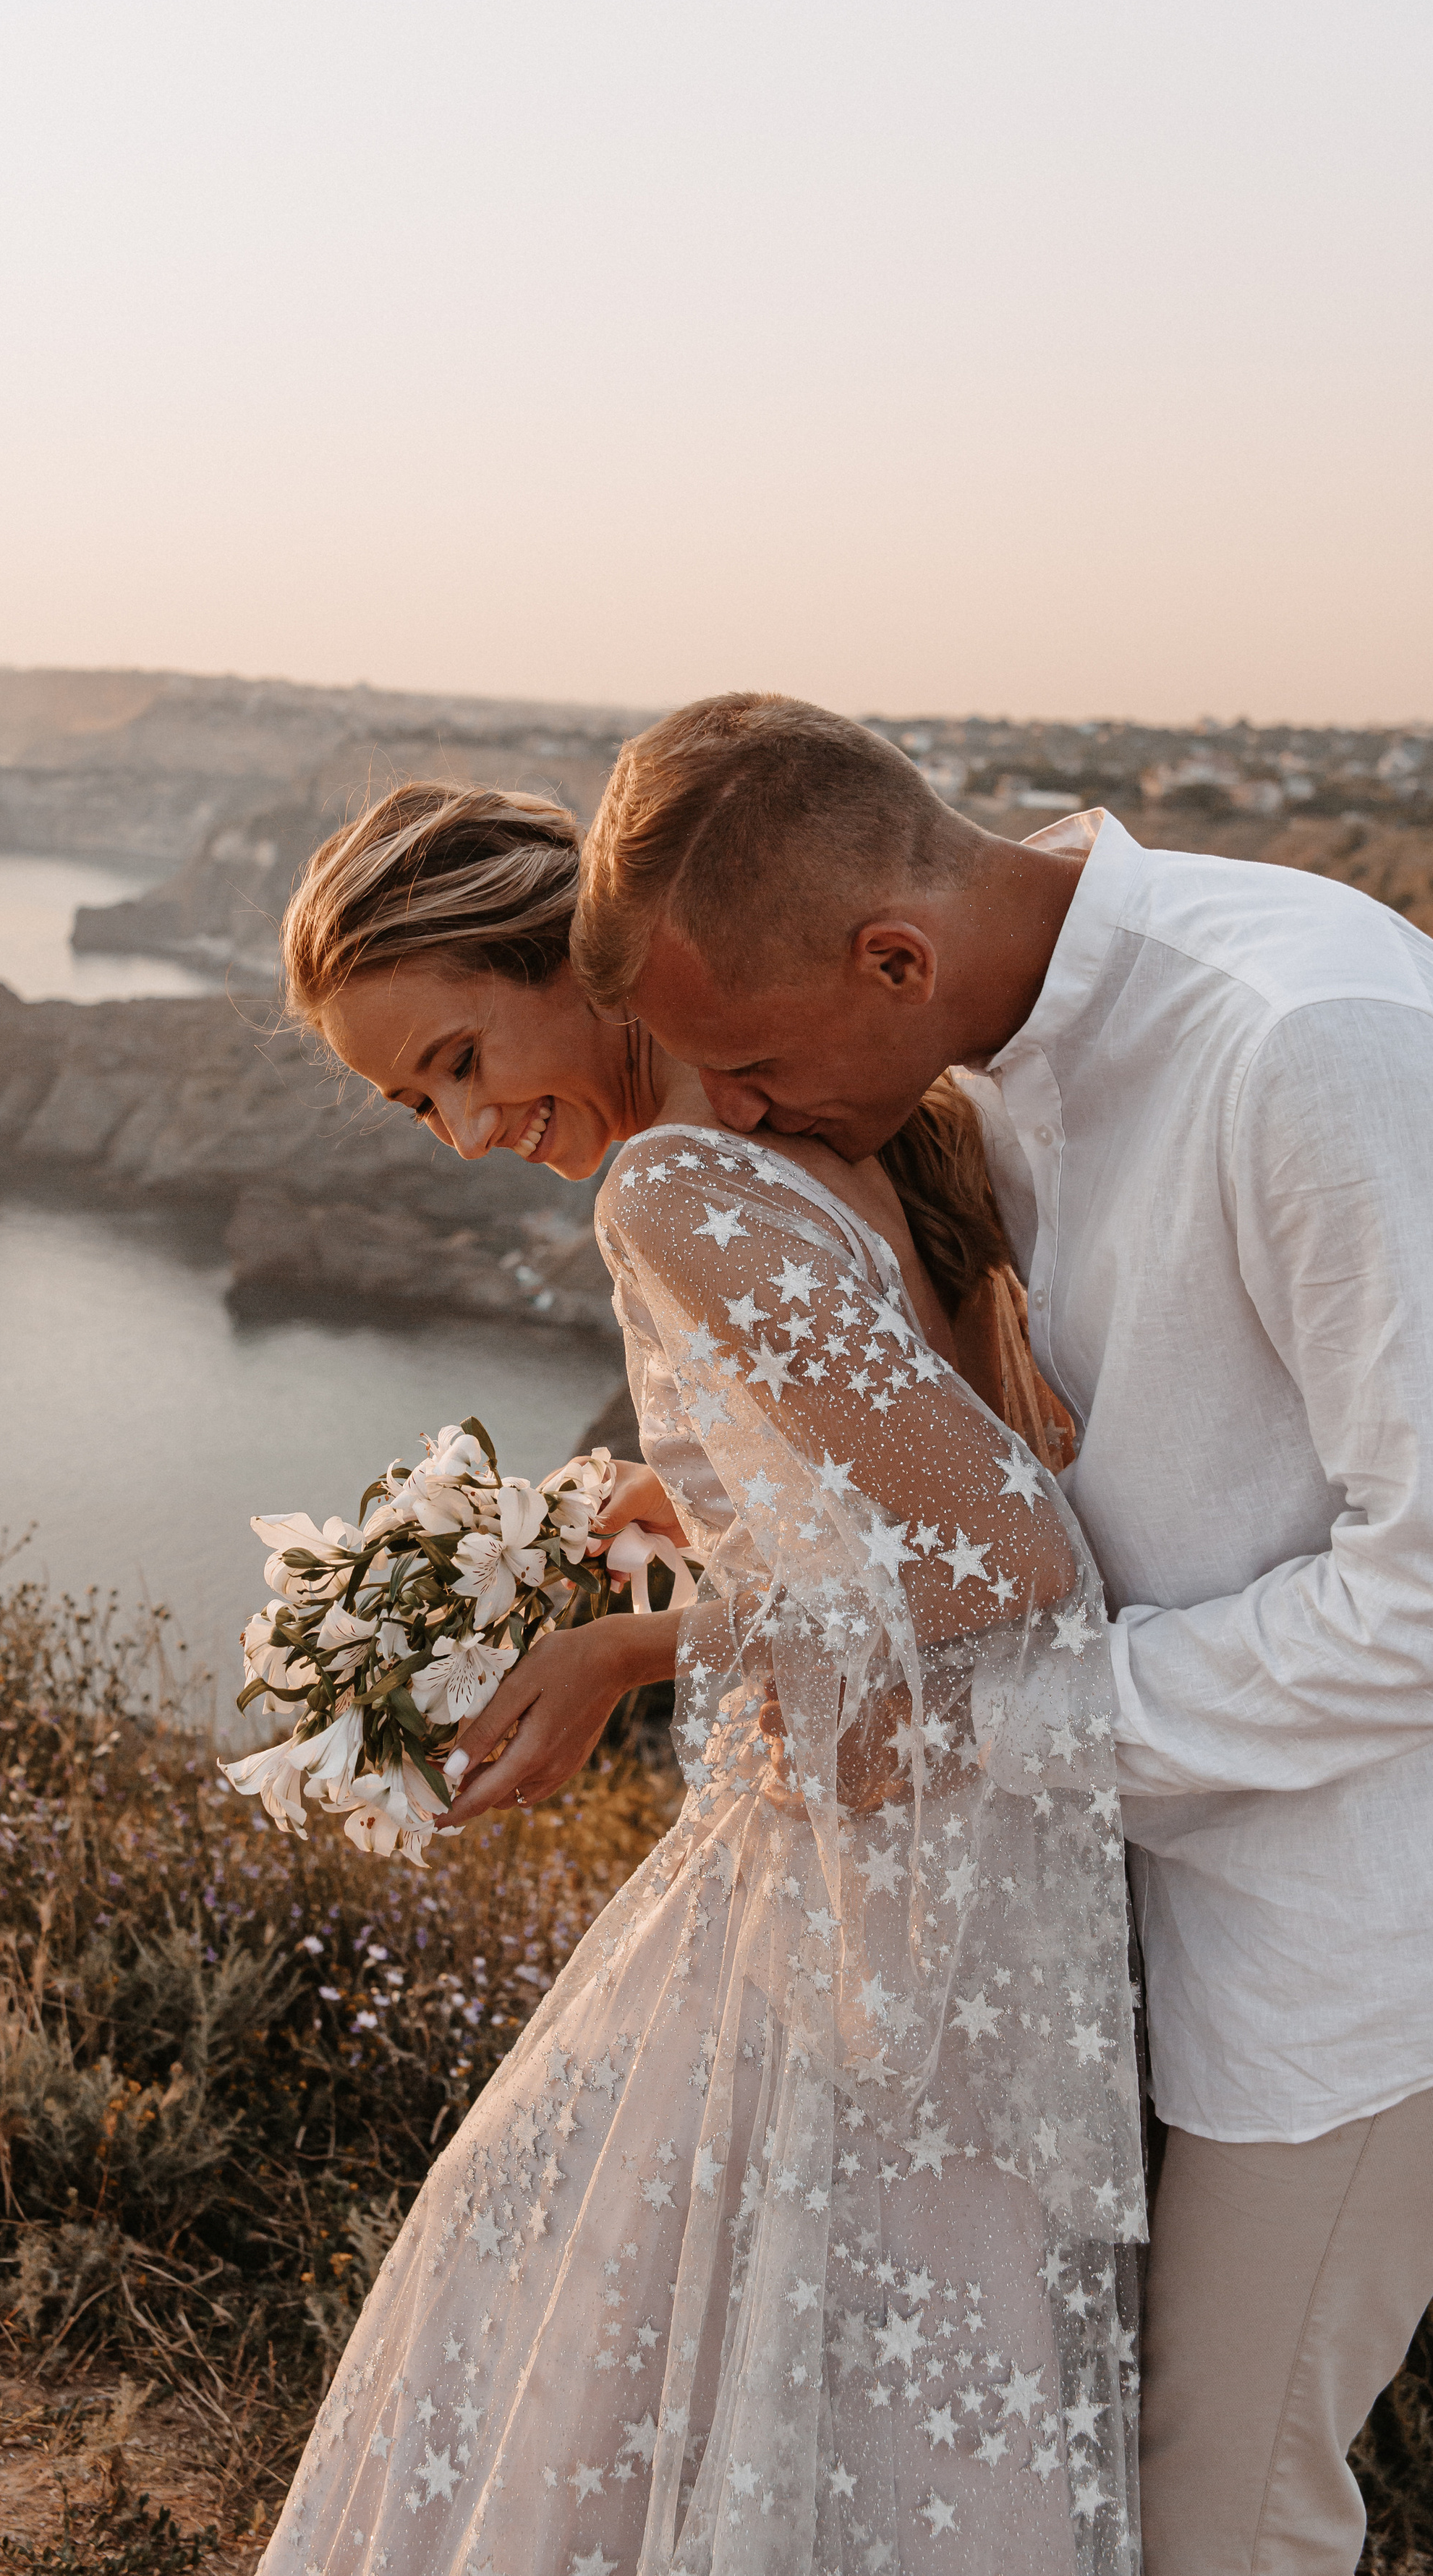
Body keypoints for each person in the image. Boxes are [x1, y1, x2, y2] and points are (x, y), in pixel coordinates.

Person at [569, 689, 1433, 2576]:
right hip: (1153, 1908)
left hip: (1365, 1955)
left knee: (1219, 2517)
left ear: (893, 954)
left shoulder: (1307, 1043)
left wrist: (1016, 1723)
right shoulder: (1011, 1035)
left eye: (750, 1064)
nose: (732, 1117)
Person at [252, 781, 1144, 2576]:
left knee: (586, 2336)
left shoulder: (669, 1184)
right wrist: (715, 1511)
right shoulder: (860, 1116)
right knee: (892, 2412)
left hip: (854, 1908)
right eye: (412, 1101)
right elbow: (937, 1461)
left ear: (552, 957)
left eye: (453, 1054)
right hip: (960, 1879)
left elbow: (1012, 1567)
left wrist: (626, 1651)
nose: (461, 1127)